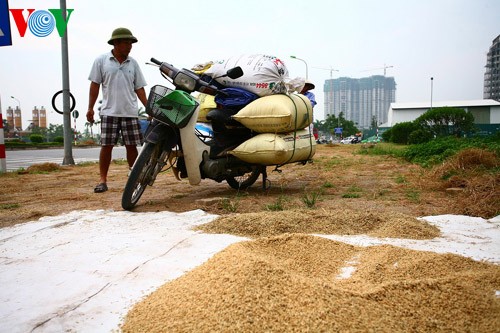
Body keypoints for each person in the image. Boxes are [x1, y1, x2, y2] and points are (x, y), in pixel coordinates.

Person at [86, 27, 148, 193]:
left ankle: (133, 177)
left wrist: (148, 107)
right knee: (107, 146)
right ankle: (102, 180)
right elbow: (94, 85)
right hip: (109, 112)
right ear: (116, 43)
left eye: (131, 43)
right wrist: (90, 108)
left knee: (132, 146)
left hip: (129, 112)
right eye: (126, 43)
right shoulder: (102, 61)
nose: (130, 46)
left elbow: (139, 87)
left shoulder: (133, 63)